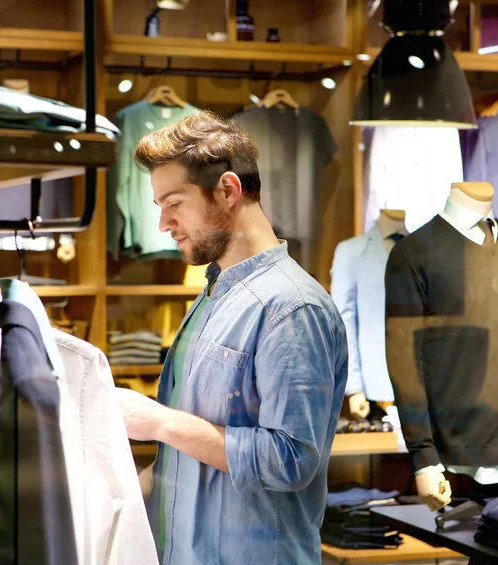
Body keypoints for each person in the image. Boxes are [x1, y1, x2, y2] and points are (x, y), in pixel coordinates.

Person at [117, 110, 348, 565]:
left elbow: (291, 460)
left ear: (227, 191)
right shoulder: (214, 294)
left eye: (174, 203)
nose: (163, 223)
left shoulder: (293, 308)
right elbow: (188, 457)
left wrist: (160, 423)